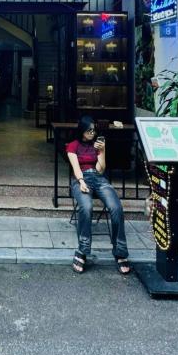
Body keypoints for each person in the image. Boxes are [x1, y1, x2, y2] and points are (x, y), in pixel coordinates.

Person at [67, 115, 131, 275]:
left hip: (99, 178)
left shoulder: (98, 145)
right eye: (89, 130)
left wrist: (102, 151)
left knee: (116, 207)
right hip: (80, 179)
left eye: (94, 130)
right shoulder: (73, 146)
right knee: (86, 207)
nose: (92, 133)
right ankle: (82, 250)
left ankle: (120, 252)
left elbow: (101, 169)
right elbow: (76, 167)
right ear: (82, 130)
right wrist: (81, 182)